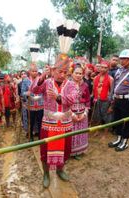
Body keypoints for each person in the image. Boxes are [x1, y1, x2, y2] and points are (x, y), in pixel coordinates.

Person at [31, 54, 78, 188]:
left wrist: (58, 97)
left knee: (65, 148)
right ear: (53, 71)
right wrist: (41, 77)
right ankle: (46, 174)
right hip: (48, 123)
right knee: (46, 149)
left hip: (65, 123)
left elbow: (72, 100)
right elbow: (34, 90)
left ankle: (60, 170)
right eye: (59, 71)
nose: (62, 75)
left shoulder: (72, 85)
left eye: (65, 72)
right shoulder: (46, 82)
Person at [70, 64, 90, 159]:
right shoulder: (67, 85)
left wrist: (85, 113)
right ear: (72, 73)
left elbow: (87, 101)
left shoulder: (85, 85)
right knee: (70, 133)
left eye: (80, 73)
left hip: (82, 112)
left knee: (80, 132)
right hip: (70, 113)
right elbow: (64, 102)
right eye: (76, 73)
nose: (78, 75)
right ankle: (69, 152)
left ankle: (78, 151)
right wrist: (72, 114)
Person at [91, 61, 114, 140]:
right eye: (102, 67)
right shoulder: (95, 78)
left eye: (105, 67)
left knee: (106, 117)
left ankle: (105, 134)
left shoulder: (110, 79)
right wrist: (94, 97)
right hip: (97, 100)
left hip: (106, 101)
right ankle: (97, 131)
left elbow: (112, 92)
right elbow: (94, 90)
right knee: (97, 116)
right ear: (99, 67)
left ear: (108, 69)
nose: (103, 69)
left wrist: (111, 104)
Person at [21, 64, 44, 141]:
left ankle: (40, 136)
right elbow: (22, 93)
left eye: (36, 71)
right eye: (33, 71)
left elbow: (44, 91)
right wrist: (26, 94)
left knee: (40, 122)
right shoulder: (25, 81)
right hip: (30, 106)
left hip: (40, 105)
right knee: (30, 122)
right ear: (29, 72)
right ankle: (30, 136)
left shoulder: (41, 80)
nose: (34, 72)